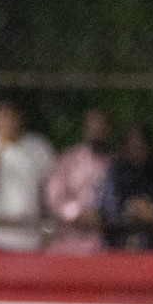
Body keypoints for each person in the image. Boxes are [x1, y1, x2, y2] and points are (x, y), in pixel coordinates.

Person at [0, 100, 54, 251]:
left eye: (11, 116)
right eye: (2, 117)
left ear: (19, 118)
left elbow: (48, 192)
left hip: (31, 238)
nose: (8, 121)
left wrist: (48, 229)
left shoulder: (39, 147)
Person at [44, 108, 113, 253]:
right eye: (92, 128)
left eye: (101, 128)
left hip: (105, 246)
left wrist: (101, 216)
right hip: (68, 245)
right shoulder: (68, 159)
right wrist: (76, 213)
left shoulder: (116, 164)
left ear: (109, 130)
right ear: (85, 130)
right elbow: (54, 196)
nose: (97, 133)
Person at [101, 124, 153, 251]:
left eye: (141, 145)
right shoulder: (116, 175)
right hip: (120, 244)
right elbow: (105, 209)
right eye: (133, 146)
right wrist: (130, 208)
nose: (137, 151)